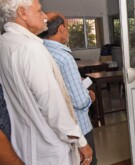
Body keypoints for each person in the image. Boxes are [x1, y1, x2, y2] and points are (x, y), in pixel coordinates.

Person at [0, 0, 92, 164]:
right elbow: (54, 107)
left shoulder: (4, 43)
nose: (44, 17)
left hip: (24, 144)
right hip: (50, 146)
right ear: (22, 13)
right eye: (39, 11)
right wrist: (81, 142)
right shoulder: (31, 49)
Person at [38, 12, 98, 165]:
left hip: (54, 128)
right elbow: (80, 101)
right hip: (78, 126)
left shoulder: (40, 51)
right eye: (67, 27)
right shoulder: (64, 57)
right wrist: (90, 96)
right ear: (61, 29)